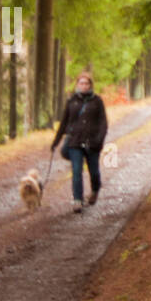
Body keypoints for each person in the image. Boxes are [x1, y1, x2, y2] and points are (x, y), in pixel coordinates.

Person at [51, 71, 109, 213]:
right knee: (76, 171)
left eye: (86, 83)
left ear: (90, 85)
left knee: (94, 172)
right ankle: (78, 200)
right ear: (77, 85)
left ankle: (95, 190)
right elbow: (64, 122)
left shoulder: (97, 101)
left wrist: (99, 140)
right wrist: (56, 141)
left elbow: (103, 123)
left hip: (92, 143)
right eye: (81, 83)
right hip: (74, 142)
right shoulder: (72, 101)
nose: (84, 86)